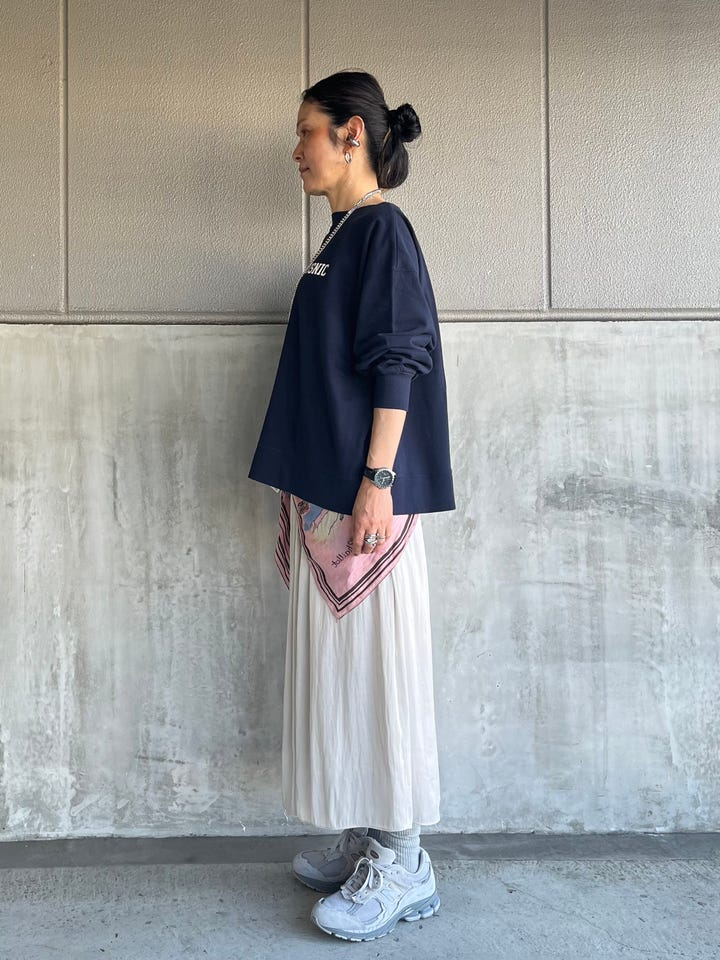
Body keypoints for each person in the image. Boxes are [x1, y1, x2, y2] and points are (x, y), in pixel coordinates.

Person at [248, 69, 454, 942]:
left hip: (366, 504)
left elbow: (399, 357)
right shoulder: (341, 235)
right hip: (331, 501)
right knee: (345, 675)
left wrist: (378, 481)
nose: (296, 149)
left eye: (307, 131)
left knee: (381, 672)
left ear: (352, 135)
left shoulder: (383, 231)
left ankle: (405, 860)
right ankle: (371, 833)